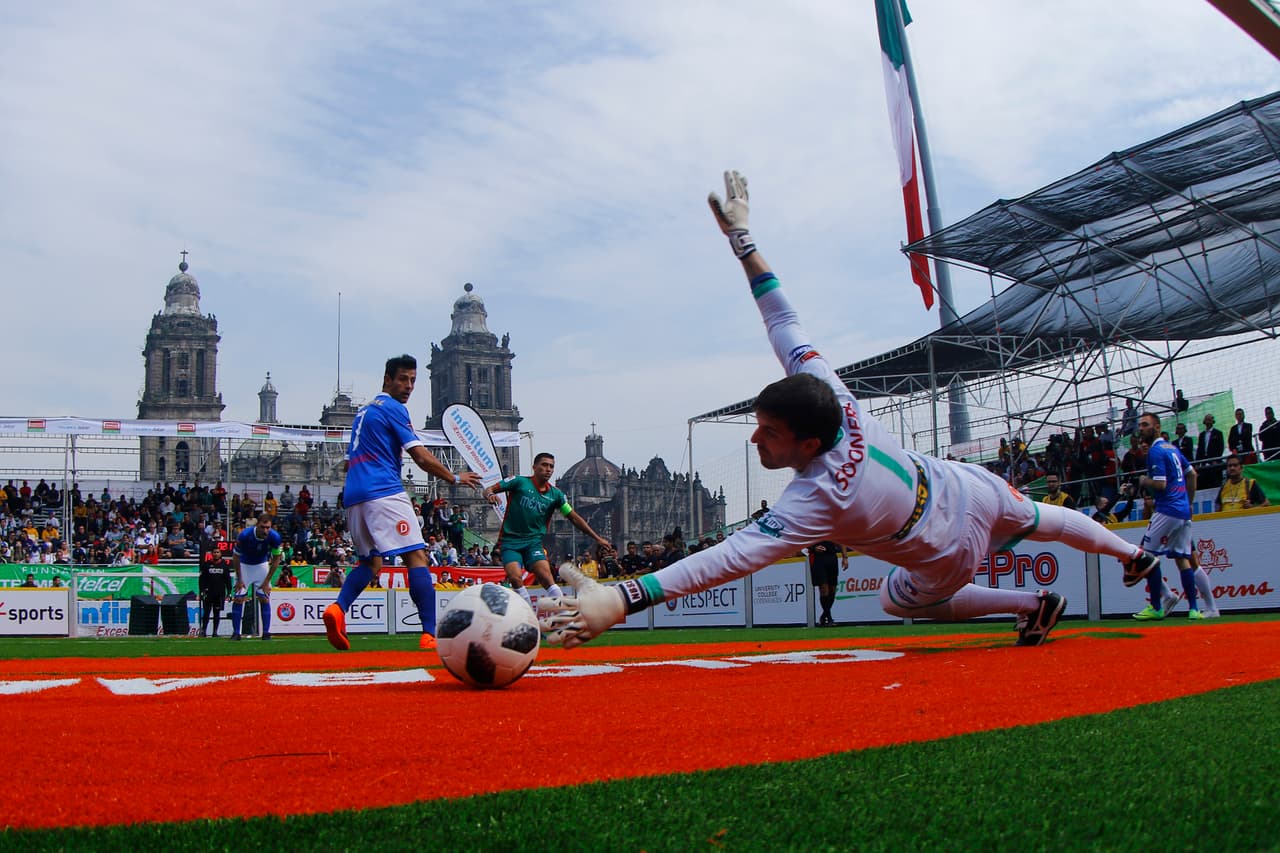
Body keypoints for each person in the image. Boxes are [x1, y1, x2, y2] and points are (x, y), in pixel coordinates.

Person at [539, 170, 1160, 650]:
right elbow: (782, 317)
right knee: (1047, 518)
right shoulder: (830, 394)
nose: (756, 441)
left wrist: (623, 599)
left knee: (896, 599)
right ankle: (1134, 555)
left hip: (944, 549)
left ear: (808, 446)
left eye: (768, 434)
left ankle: (1030, 605)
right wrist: (743, 240)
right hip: (965, 485)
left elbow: (728, 559)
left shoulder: (818, 496)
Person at [323, 354, 481, 652]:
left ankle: (338, 609)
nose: (408, 386)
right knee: (417, 557)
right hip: (383, 491)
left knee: (371, 562)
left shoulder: (364, 413)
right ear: (387, 379)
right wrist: (454, 478)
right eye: (403, 379)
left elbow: (347, 464)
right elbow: (421, 457)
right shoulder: (394, 409)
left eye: (413, 381)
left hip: (354, 496)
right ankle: (428, 632)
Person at [482, 452, 610, 608]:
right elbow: (489, 489)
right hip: (510, 541)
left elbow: (574, 517)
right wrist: (490, 495)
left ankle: (565, 616)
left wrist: (597, 538)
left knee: (546, 577)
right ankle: (529, 616)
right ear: (534, 467)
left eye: (551, 466)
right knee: (515, 578)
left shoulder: (556, 495)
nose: (548, 469)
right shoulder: (519, 482)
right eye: (544, 465)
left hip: (533, 543)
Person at [1131, 412, 1205, 621]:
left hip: (1167, 509)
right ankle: (1194, 609)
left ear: (1156, 427)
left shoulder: (1155, 451)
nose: (1141, 428)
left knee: (1146, 557)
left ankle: (1156, 606)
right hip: (1182, 511)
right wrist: (1189, 503)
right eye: (1140, 425)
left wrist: (1144, 481)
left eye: (1145, 425)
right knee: (1182, 558)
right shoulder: (1172, 448)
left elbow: (1161, 484)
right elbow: (1192, 474)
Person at [230, 512, 282, 640]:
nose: (265, 530)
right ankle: (236, 633)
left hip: (262, 565)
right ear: (257, 525)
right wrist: (240, 578)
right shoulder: (245, 535)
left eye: (268, 527)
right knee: (238, 597)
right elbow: (236, 557)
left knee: (264, 597)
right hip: (244, 565)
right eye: (263, 527)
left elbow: (276, 560)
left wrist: (267, 581)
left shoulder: (275, 537)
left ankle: (266, 632)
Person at [198, 531, 233, 637]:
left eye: (218, 552)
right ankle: (203, 631)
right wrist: (202, 591)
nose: (216, 554)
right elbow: (202, 579)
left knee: (217, 613)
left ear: (220, 554)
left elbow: (228, 580)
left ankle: (215, 632)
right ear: (212, 554)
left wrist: (229, 592)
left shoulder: (224, 566)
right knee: (207, 613)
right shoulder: (206, 565)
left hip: (219, 593)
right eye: (214, 552)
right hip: (208, 593)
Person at [807, 541, 847, 626]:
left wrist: (845, 557)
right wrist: (814, 548)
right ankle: (829, 619)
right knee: (824, 589)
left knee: (832, 589)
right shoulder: (812, 527)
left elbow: (842, 540)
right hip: (818, 559)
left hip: (832, 557)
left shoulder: (835, 528)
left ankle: (823, 616)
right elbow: (803, 539)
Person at [1194, 413, 1225, 490]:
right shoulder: (1202, 435)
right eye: (1206, 420)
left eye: (1209, 419)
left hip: (1214, 462)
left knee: (1215, 482)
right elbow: (1199, 449)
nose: (1208, 421)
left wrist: (1216, 460)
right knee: (1204, 483)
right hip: (1204, 463)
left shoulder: (1218, 433)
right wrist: (1197, 463)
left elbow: (1220, 448)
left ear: (1212, 421)